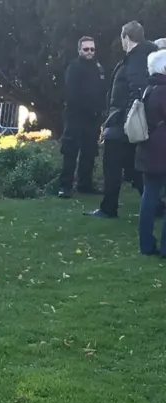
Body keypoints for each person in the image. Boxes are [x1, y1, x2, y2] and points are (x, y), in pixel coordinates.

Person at [85, 21, 158, 218]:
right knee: (134, 170)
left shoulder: (134, 59)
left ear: (126, 37)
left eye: (122, 38)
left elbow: (137, 91)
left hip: (121, 126)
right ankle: (156, 206)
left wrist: (127, 119)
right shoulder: (144, 57)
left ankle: (109, 208)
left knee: (112, 167)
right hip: (126, 124)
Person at [58, 36, 107, 198]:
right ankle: (65, 186)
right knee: (71, 151)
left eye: (92, 49)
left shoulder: (98, 68)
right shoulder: (74, 67)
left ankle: (85, 185)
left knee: (89, 151)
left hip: (92, 118)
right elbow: (73, 93)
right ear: (79, 50)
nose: (89, 52)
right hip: (75, 116)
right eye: (86, 49)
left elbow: (102, 91)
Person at [135, 50, 166, 255]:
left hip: (148, 150)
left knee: (149, 197)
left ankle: (146, 244)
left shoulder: (148, 89)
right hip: (163, 150)